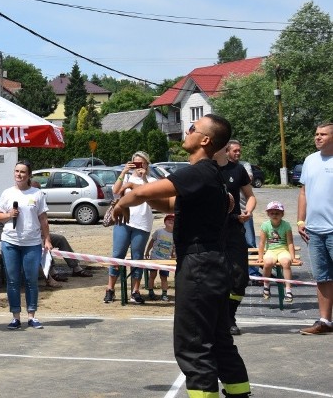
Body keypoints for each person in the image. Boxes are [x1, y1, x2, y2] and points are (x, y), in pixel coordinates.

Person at [108, 114, 250, 398]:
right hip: (212, 265)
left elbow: (143, 193)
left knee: (193, 343)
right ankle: (239, 394)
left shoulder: (198, 172)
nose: (187, 130)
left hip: (199, 267)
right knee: (219, 339)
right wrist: (136, 192)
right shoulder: (212, 176)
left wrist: (123, 201)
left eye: (193, 128)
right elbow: (169, 201)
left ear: (205, 140)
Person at [0, 160, 52, 329]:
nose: (19, 175)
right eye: (16, 171)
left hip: (32, 243)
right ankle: (15, 316)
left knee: (31, 280)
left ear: (29, 175)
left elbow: (43, 218)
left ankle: (32, 315)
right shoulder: (7, 193)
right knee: (12, 280)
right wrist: (8, 214)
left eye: (22, 172)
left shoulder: (37, 194)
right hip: (10, 241)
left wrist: (47, 239)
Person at [296, 121, 333, 335]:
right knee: (323, 277)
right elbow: (304, 191)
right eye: (316, 134)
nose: (317, 137)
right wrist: (301, 221)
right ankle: (324, 321)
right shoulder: (310, 160)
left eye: (323, 134)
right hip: (314, 230)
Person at [104, 151, 156, 304]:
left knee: (137, 257)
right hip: (124, 221)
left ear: (147, 164)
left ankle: (135, 290)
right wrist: (124, 171)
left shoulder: (152, 179)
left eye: (142, 163)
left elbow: (153, 194)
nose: (138, 166)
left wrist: (144, 176)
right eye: (135, 163)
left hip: (143, 222)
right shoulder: (127, 177)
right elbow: (115, 192)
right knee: (117, 254)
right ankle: (110, 289)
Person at [216, 142, 256, 336]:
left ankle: (230, 315)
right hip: (213, 231)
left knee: (240, 277)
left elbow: (250, 196)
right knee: (217, 277)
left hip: (235, 227)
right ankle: (221, 318)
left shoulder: (238, 170)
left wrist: (248, 210)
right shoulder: (207, 169)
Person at [29, 179, 94, 285]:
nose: (39, 191)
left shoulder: (39, 200)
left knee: (60, 239)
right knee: (44, 245)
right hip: (32, 237)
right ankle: (52, 273)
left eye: (39, 189)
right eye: (36, 189)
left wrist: (46, 236)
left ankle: (76, 267)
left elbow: (44, 220)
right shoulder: (27, 201)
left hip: (41, 233)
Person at [226, 140, 260, 279]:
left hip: (243, 213)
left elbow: (250, 190)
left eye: (239, 150)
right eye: (235, 151)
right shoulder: (214, 167)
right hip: (225, 216)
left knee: (250, 243)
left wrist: (248, 212)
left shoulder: (243, 166)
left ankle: (253, 273)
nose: (238, 153)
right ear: (226, 151)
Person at [256, 201, 295, 303]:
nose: (274, 215)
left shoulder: (286, 225)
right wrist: (260, 257)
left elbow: (290, 242)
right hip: (271, 250)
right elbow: (261, 243)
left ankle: (288, 290)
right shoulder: (265, 225)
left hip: (283, 249)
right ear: (268, 214)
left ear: (282, 214)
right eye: (272, 213)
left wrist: (293, 257)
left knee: (286, 263)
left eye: (277, 213)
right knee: (268, 262)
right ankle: (266, 285)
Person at [144, 214, 175, 301]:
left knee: (164, 277)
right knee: (152, 275)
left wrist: (173, 254)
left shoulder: (175, 235)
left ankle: (164, 294)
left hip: (166, 260)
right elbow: (152, 241)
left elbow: (173, 247)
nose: (171, 221)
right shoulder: (159, 231)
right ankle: (150, 292)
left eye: (173, 220)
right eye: (169, 220)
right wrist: (147, 251)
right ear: (164, 222)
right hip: (155, 257)